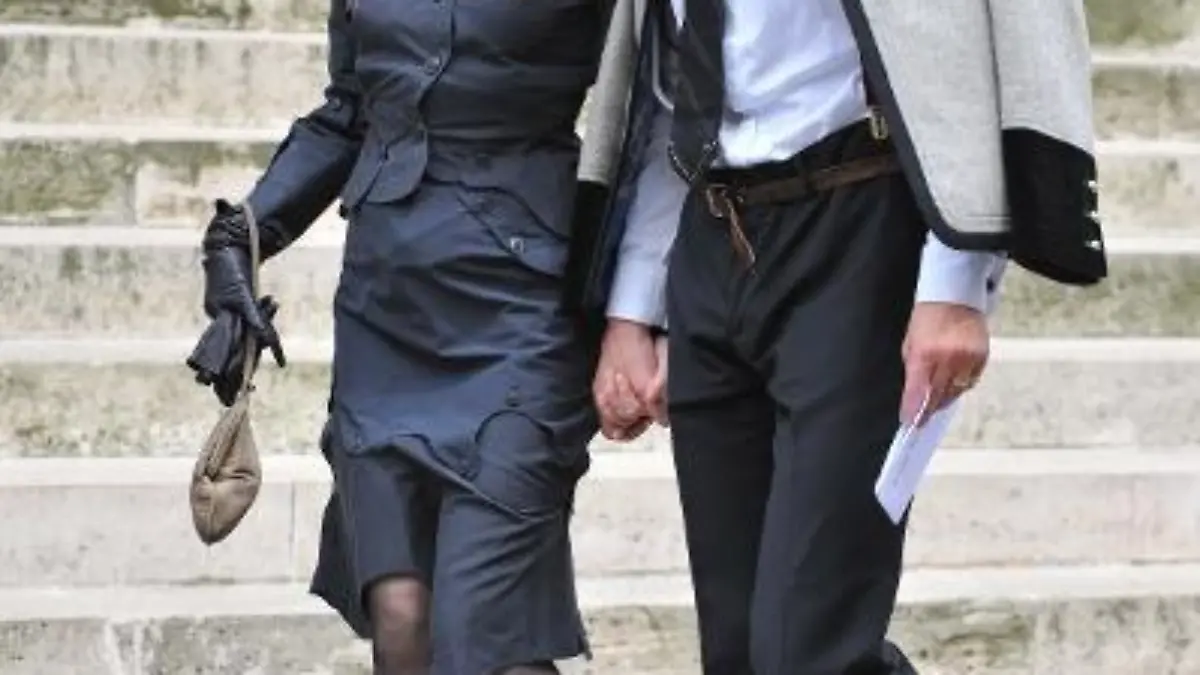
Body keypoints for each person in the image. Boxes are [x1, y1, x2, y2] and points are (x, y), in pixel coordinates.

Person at [580, 0, 1107, 673]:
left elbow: (967, 43)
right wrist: (632, 312)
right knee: (738, 648)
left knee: (808, 646)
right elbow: (669, 84)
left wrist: (956, 278)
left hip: (859, 221)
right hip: (710, 234)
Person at [185, 1, 616, 673]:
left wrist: (646, 308)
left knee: (487, 633)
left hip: (522, 309)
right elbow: (352, 108)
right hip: (384, 310)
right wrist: (242, 232)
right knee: (400, 614)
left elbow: (655, 99)